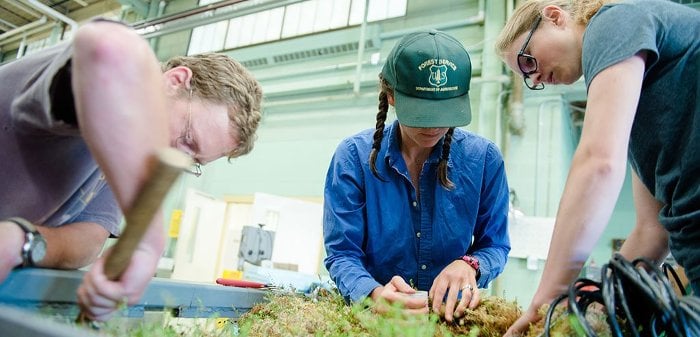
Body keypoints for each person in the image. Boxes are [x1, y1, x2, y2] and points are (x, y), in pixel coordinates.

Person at [0, 19, 263, 321]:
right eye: (187, 138)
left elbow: (90, 237)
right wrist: (151, 241)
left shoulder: (126, 163)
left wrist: (21, 240)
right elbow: (110, 47)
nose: (179, 157)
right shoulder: (101, 92)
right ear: (175, 80)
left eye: (194, 160)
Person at [494, 0, 700, 334]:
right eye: (526, 77)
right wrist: (598, 304)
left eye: (527, 60)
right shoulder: (638, 112)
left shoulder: (613, 22)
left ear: (555, 16)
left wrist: (544, 302)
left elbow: (598, 165)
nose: (535, 76)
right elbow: (651, 231)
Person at [323, 29, 510, 322]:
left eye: (445, 111)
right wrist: (371, 294)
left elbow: (495, 244)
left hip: (452, 319)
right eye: (422, 113)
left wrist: (470, 265)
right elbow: (342, 253)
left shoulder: (484, 160)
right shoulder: (353, 158)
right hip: (376, 320)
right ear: (391, 96)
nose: (434, 126)